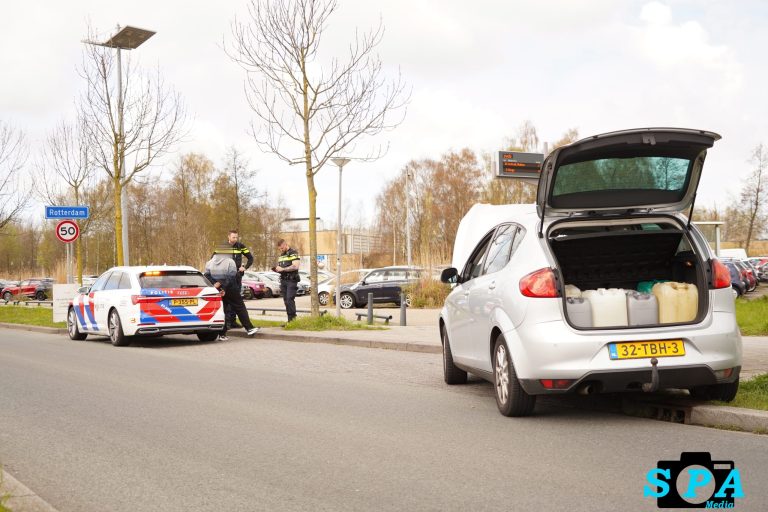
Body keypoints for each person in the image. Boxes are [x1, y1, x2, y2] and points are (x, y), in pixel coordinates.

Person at [204, 247, 259, 340]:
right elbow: (232, 277)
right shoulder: (230, 261)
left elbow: (206, 275)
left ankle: (222, 334)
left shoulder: (209, 263)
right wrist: (224, 287)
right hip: (230, 288)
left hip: (218, 290)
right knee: (240, 307)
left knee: (224, 310)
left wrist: (217, 285)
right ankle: (249, 328)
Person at [217, 230, 254, 329]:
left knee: (236, 300)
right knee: (226, 301)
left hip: (237, 277)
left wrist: (245, 267)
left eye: (236, 237)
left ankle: (233, 321)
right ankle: (226, 323)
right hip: (226, 277)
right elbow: (213, 259)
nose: (235, 239)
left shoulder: (241, 246)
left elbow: (250, 258)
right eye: (233, 237)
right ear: (228, 237)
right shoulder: (222, 247)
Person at [272, 238, 300, 323]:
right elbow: (281, 267)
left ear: (285, 244)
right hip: (283, 280)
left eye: (281, 248)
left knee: (289, 299)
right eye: (279, 249)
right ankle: (289, 321)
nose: (280, 250)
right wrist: (277, 269)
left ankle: (293, 320)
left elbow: (295, 266)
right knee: (286, 301)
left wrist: (283, 269)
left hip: (291, 280)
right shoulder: (281, 255)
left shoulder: (293, 253)